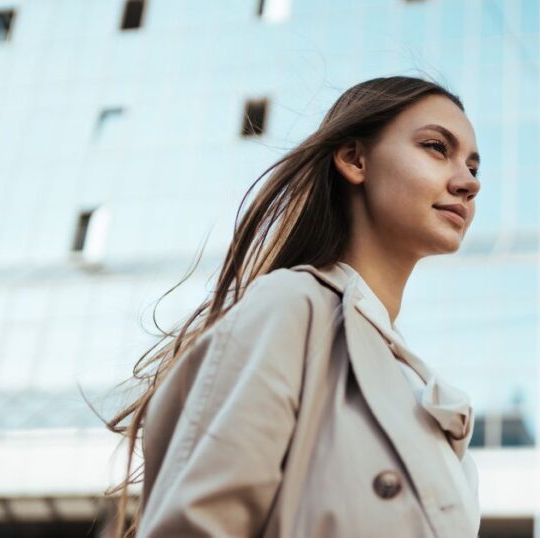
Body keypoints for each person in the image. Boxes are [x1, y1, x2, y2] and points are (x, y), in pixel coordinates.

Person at [104, 76, 483, 537]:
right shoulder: (293, 306)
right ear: (354, 159)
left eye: (474, 167)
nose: (467, 183)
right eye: (436, 147)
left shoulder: (416, 383)